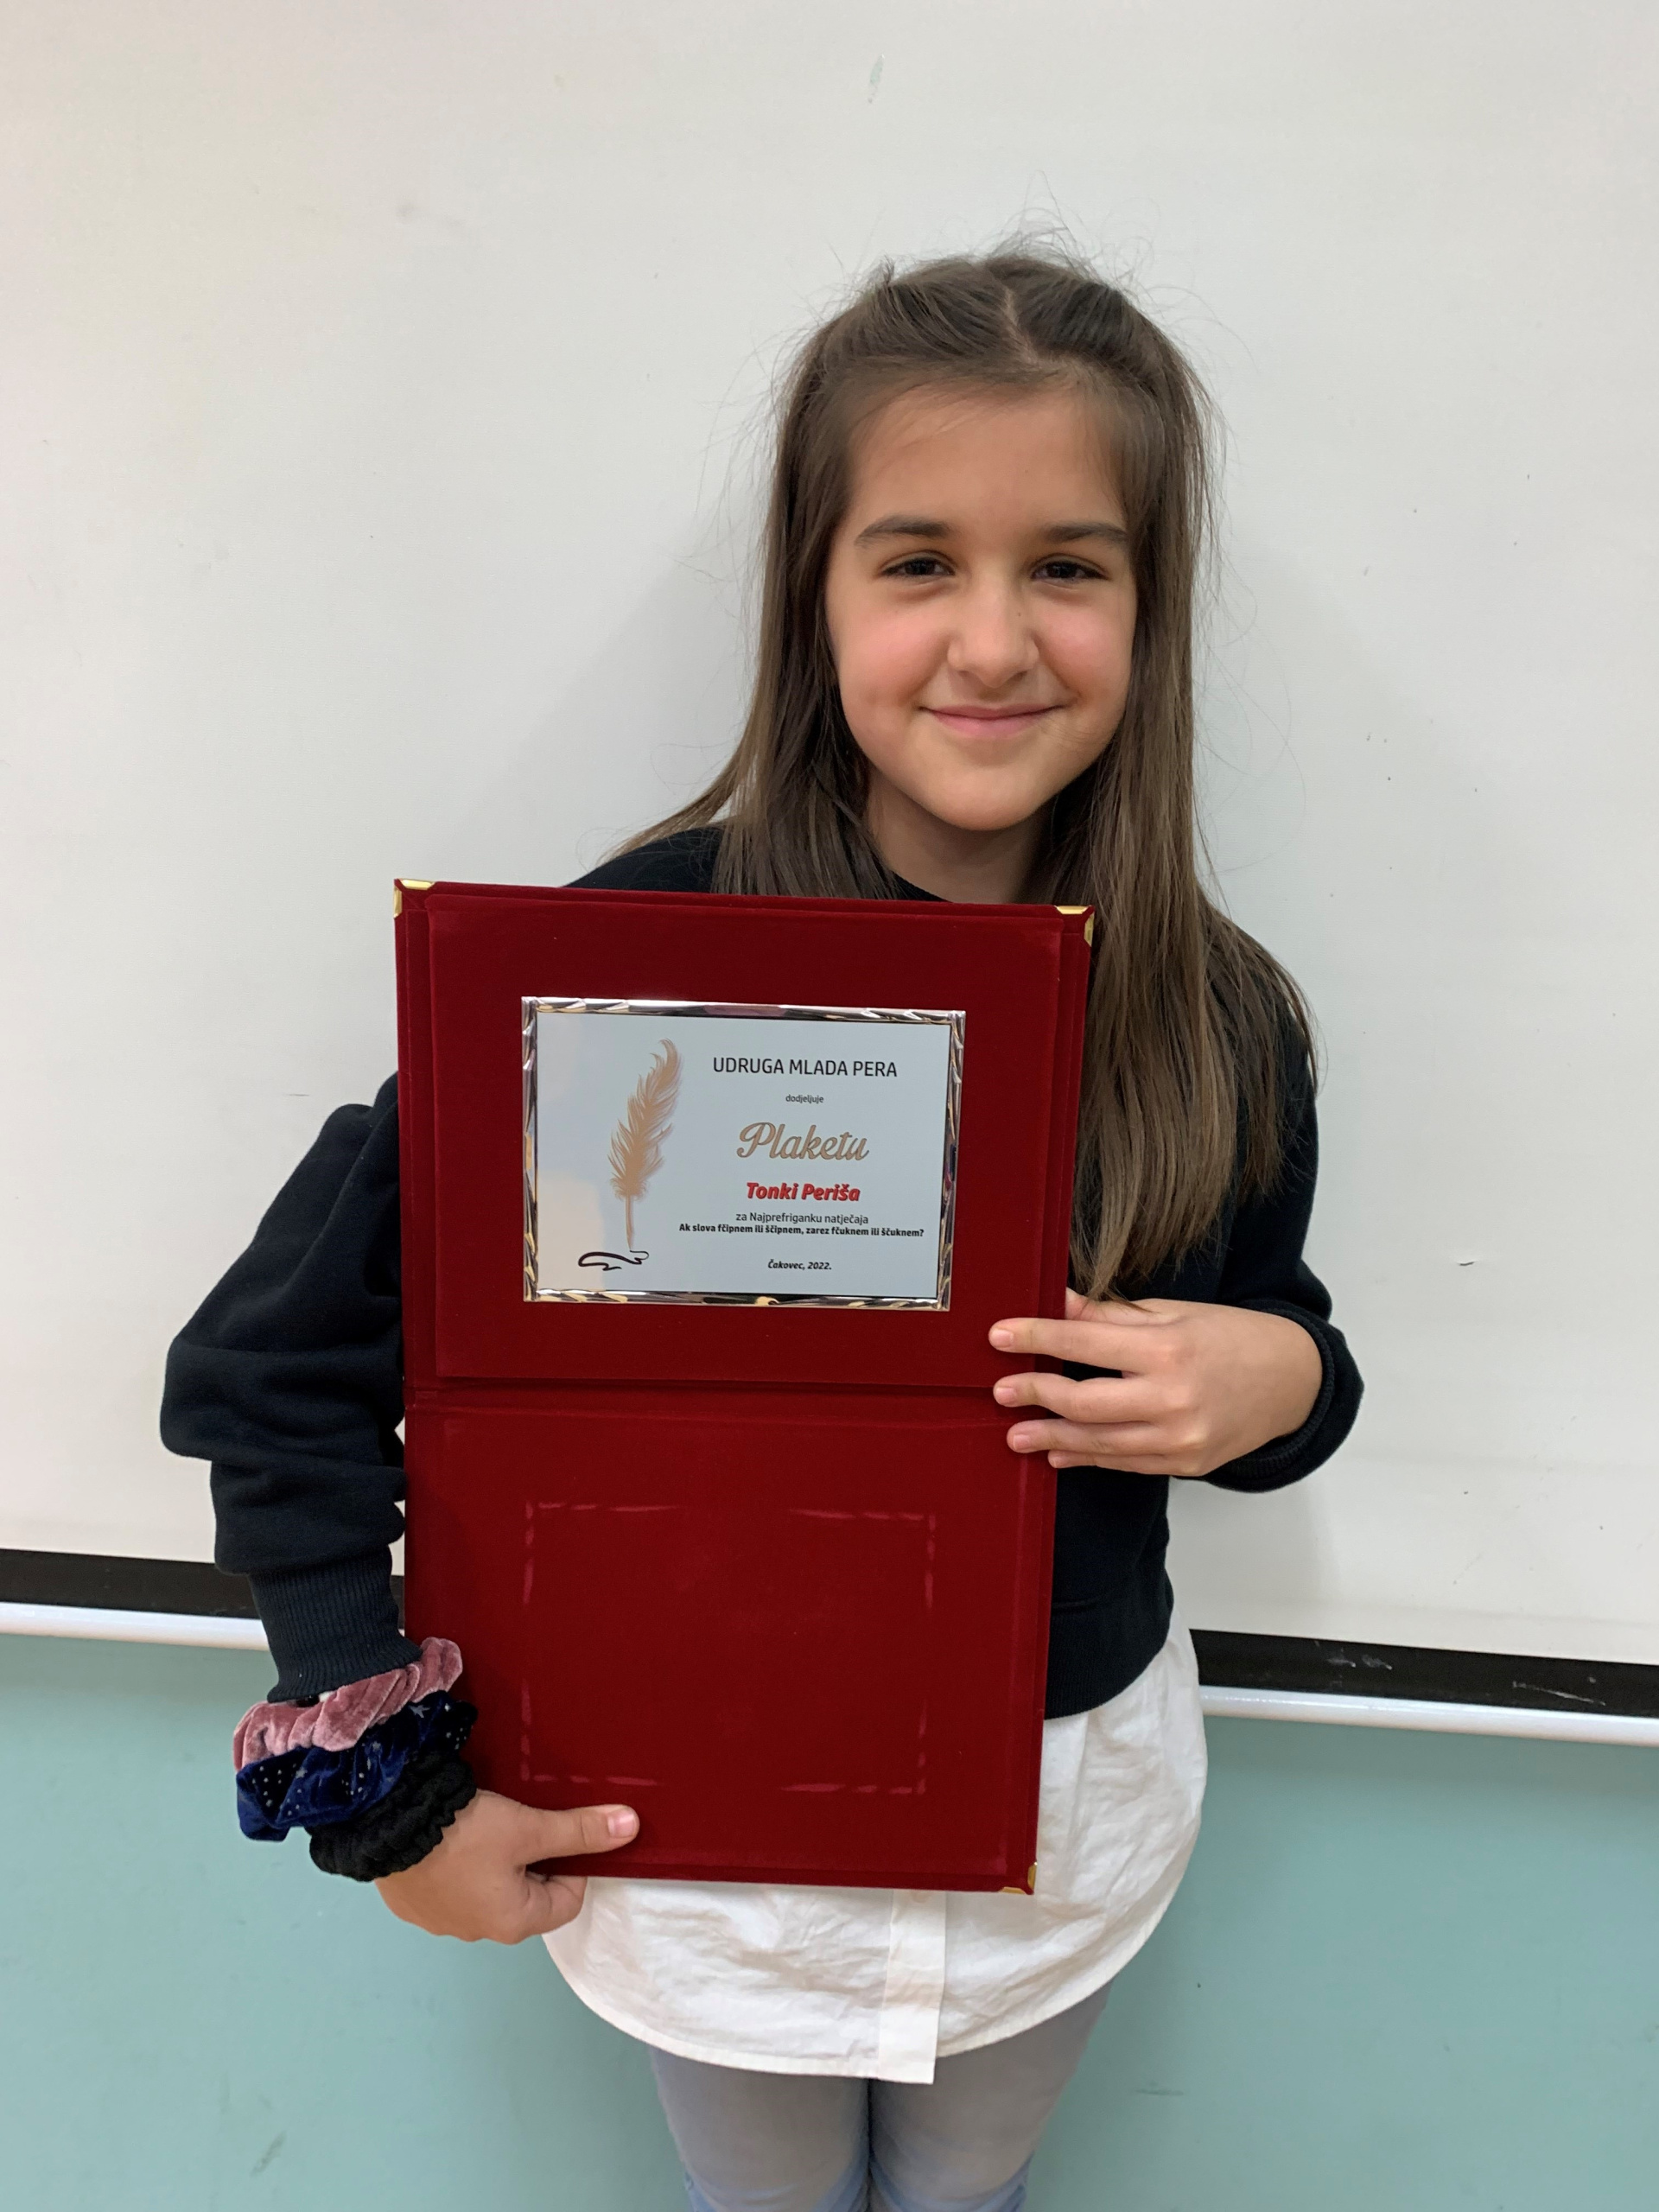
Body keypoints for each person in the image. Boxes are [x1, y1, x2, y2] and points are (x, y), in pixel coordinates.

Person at [162, 247, 1362, 2212]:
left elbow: (1283, 1347)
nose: (994, 638)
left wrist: (1277, 1378)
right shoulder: (609, 970)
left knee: (965, 2195)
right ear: (816, 595)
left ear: (1152, 605)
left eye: (1070, 565)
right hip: (703, 1830)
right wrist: (394, 1797)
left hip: (1062, 1811)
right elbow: (269, 1369)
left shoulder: (1220, 1015)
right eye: (919, 561)